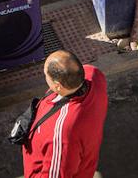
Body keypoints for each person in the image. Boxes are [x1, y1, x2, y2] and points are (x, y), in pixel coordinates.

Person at [22, 50, 107, 178]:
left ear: (58, 86)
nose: (45, 77)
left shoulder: (61, 134)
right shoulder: (94, 74)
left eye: (46, 75)